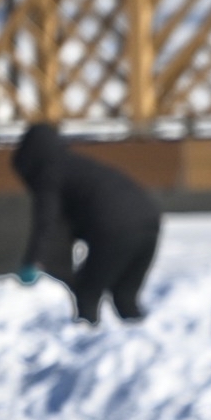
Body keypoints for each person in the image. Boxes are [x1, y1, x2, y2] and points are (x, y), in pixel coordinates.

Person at [10, 123, 162, 324]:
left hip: (116, 228)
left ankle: (86, 338)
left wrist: (33, 261)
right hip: (149, 221)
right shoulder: (75, 165)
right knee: (125, 297)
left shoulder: (49, 172)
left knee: (87, 294)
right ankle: (145, 339)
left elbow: (46, 221)